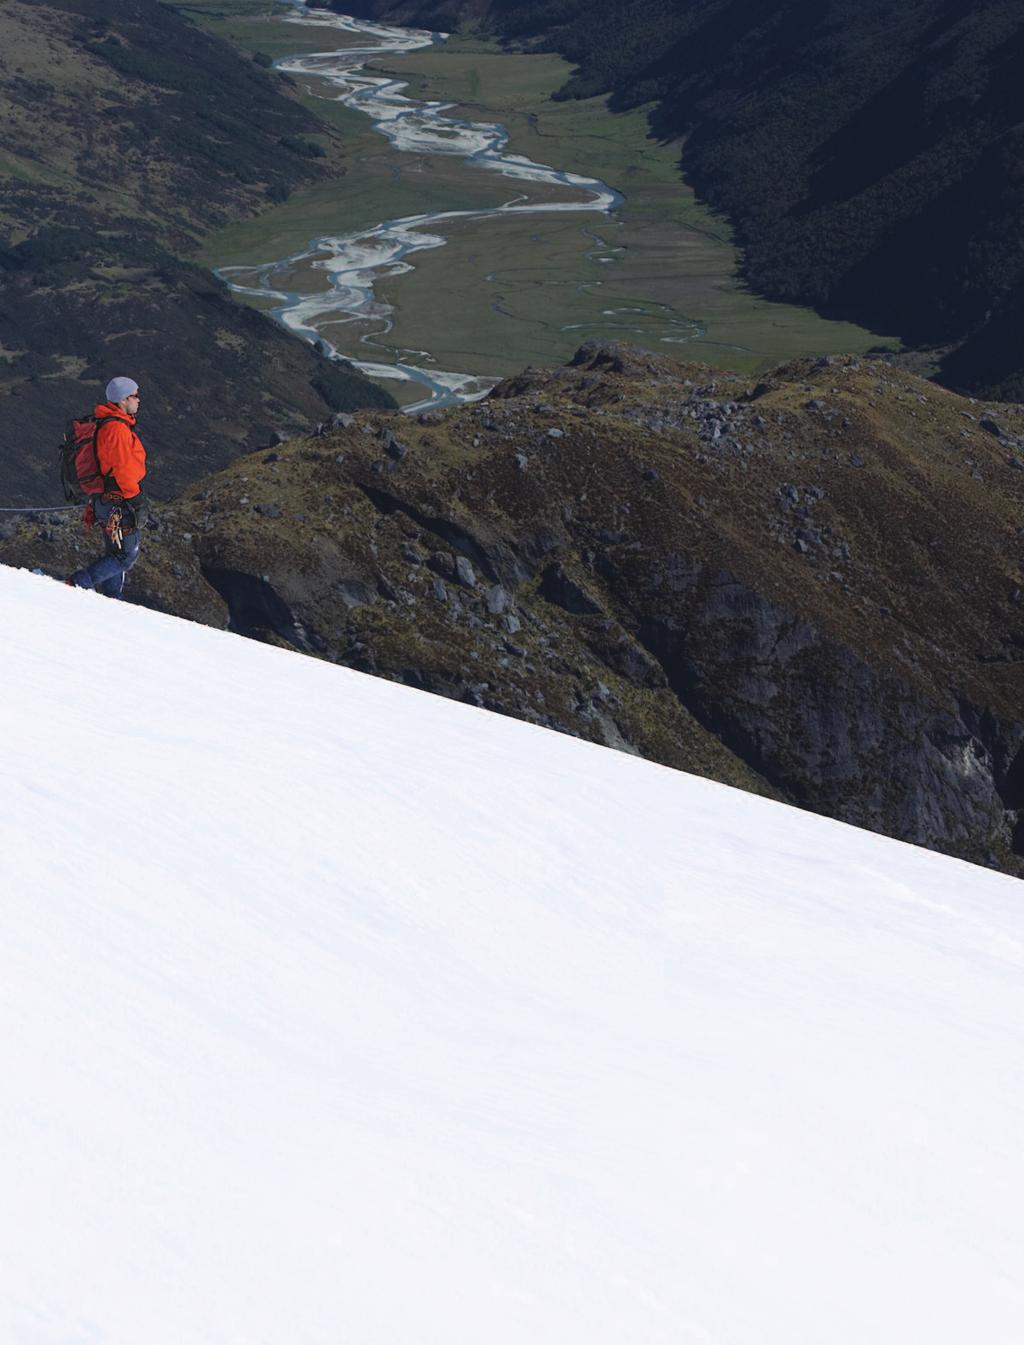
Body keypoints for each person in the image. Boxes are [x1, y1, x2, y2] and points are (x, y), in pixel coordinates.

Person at [68, 377, 148, 597]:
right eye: (135, 395)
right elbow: (120, 469)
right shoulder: (116, 428)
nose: (138, 400)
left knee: (115, 551)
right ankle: (76, 584)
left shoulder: (111, 424)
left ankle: (112, 600)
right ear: (123, 399)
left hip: (107, 500)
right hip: (117, 502)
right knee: (125, 556)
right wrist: (136, 500)